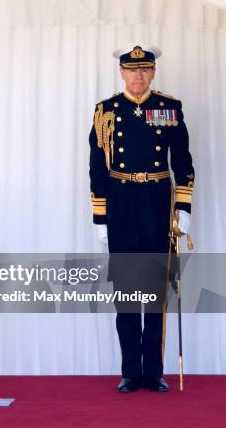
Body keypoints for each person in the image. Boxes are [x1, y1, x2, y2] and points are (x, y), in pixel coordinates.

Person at [88, 44, 194, 393]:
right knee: (128, 291)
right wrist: (100, 217)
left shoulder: (168, 107)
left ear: (153, 72)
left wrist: (183, 208)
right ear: (121, 72)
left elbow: (182, 160)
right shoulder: (106, 111)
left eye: (145, 69)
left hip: (156, 200)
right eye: (132, 70)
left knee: (156, 290)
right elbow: (97, 167)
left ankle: (155, 371)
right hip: (120, 202)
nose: (138, 75)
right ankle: (131, 371)